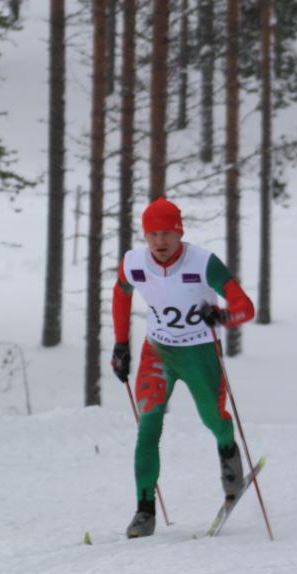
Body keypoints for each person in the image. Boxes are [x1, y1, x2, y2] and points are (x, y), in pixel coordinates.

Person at [110, 197, 255, 539]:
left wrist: (222, 316)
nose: (160, 242)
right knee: (148, 424)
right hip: (157, 352)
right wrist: (120, 345)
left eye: (167, 234)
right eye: (152, 234)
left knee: (213, 419)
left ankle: (229, 455)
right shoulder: (133, 262)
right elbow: (120, 295)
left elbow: (245, 306)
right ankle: (144, 510)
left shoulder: (203, 263)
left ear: (180, 233)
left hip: (199, 353)